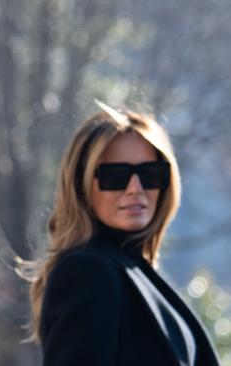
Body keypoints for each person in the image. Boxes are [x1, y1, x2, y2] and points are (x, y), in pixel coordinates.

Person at [28, 102, 220, 365]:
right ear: (81, 184)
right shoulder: (87, 271)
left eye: (150, 174)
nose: (135, 188)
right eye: (115, 176)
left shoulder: (133, 270)